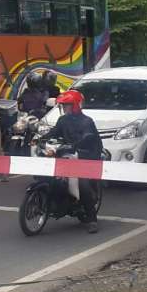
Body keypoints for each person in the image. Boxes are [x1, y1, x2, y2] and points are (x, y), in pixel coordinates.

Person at [39, 89, 102, 233]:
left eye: (67, 105)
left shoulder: (86, 121)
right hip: (67, 154)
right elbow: (54, 132)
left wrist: (77, 145)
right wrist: (41, 138)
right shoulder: (63, 120)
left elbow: (88, 136)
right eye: (63, 105)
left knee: (83, 184)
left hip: (86, 156)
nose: (64, 108)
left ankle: (92, 219)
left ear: (75, 105)